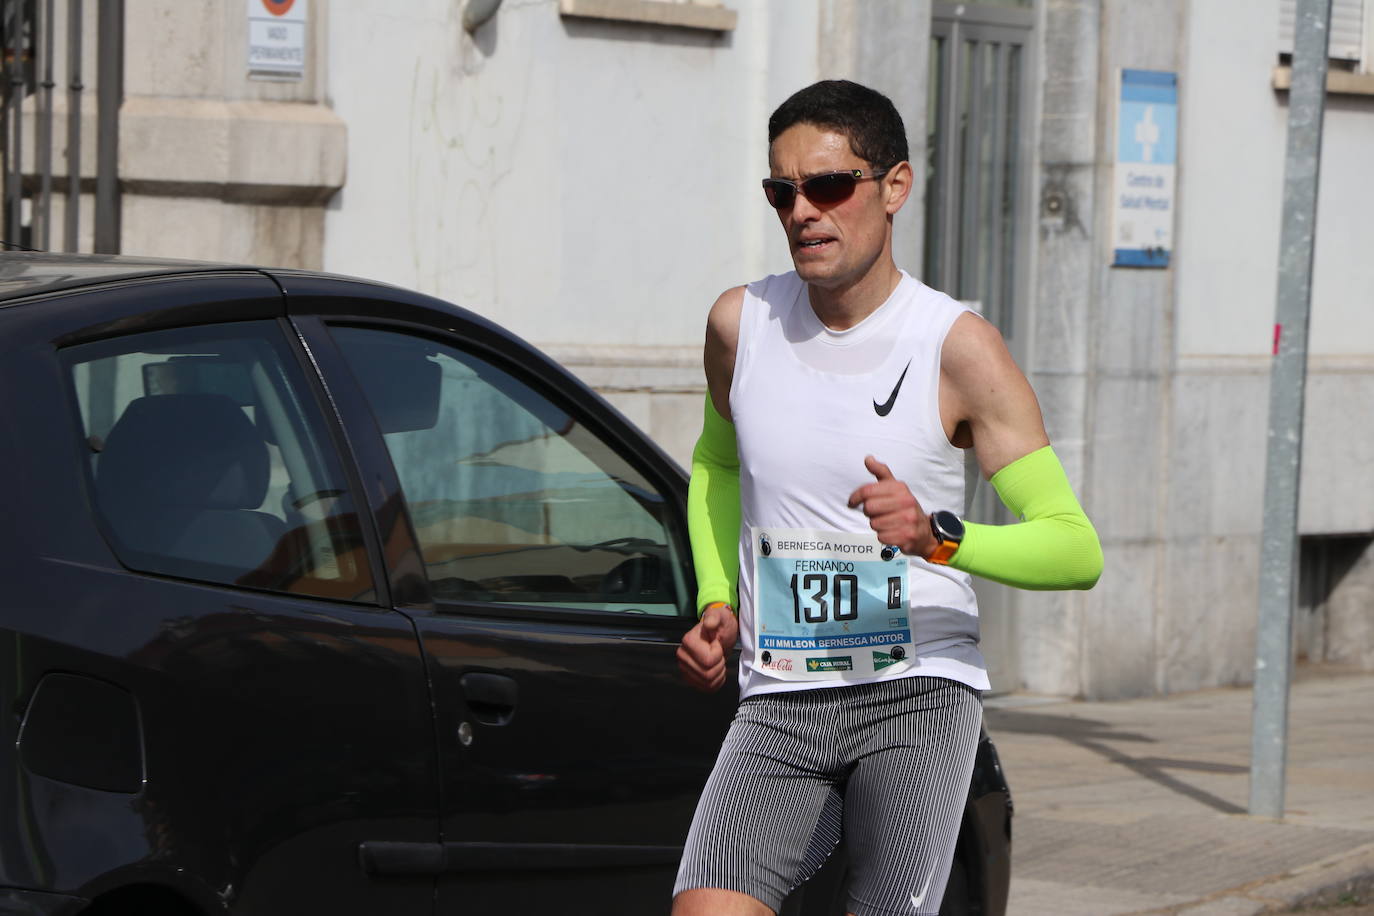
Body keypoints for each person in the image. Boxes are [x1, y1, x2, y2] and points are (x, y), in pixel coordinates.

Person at [672, 79, 1103, 916]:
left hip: (916, 691)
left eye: (829, 186)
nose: (804, 212)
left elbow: (1073, 546)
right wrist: (717, 596)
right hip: (780, 690)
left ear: (894, 187)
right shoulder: (740, 324)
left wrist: (940, 536)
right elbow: (717, 468)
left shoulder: (957, 347)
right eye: (782, 191)